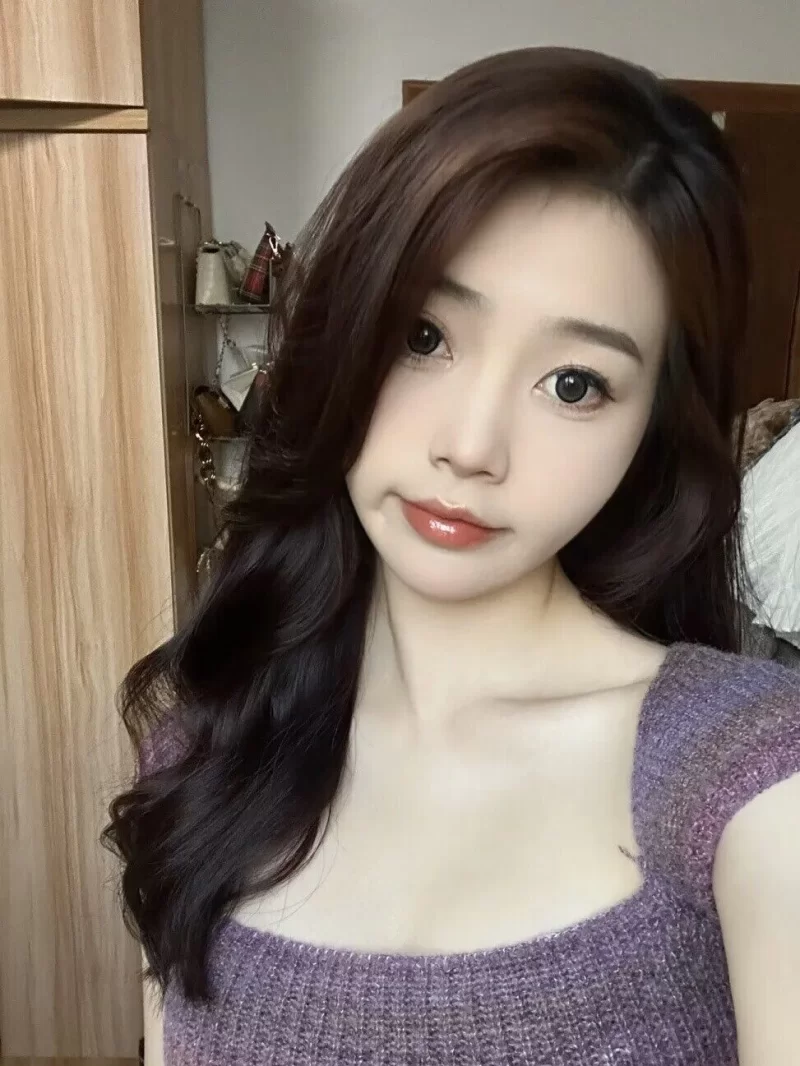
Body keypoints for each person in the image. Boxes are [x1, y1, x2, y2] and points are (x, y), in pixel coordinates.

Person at [103, 46, 800, 1066]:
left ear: (651, 429)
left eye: (574, 384)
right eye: (424, 336)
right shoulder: (207, 747)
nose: (471, 448)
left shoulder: (748, 782)